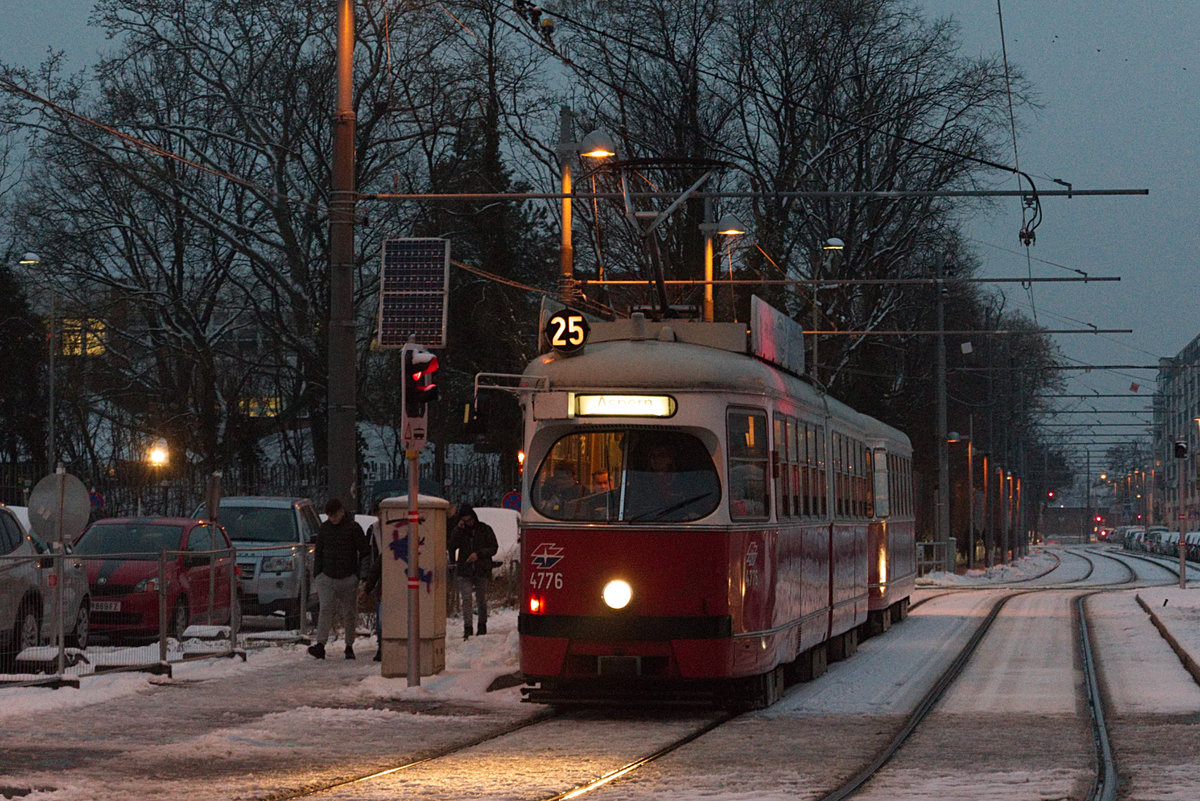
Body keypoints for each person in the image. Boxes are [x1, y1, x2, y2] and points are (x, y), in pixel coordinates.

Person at [308, 498, 368, 660]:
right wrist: (318, 573)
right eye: (329, 516)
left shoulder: (353, 528)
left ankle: (349, 644)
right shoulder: (325, 529)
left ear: (341, 512)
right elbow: (319, 551)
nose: (332, 518)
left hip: (348, 578)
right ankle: (320, 644)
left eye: (334, 515)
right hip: (327, 577)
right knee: (326, 608)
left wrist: (359, 575)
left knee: (349, 612)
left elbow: (364, 551)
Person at [446, 505, 498, 639]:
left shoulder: (484, 529)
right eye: (465, 520)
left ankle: (482, 625)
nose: (469, 523)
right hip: (465, 570)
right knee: (467, 599)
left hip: (481, 569)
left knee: (481, 599)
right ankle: (467, 627)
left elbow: (493, 547)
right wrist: (458, 529)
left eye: (470, 520)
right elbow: (452, 545)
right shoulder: (460, 532)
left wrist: (479, 554)